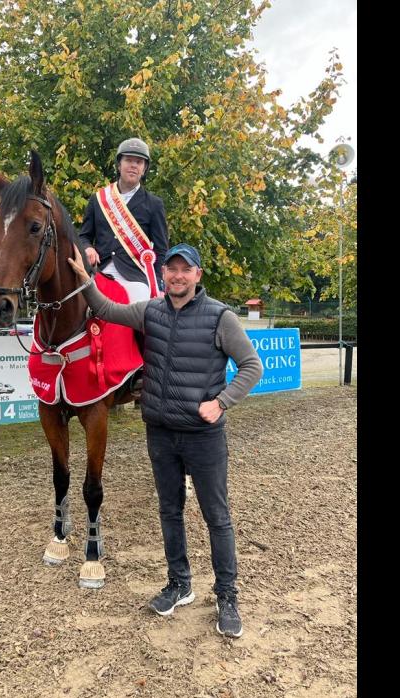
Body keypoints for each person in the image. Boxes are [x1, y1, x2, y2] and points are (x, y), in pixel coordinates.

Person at [67, 241, 263, 638]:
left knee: (217, 517)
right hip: (160, 432)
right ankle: (180, 584)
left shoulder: (219, 317)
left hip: (203, 436)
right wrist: (86, 280)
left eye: (184, 269)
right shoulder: (150, 312)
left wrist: (222, 402)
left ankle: (227, 595)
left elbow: (251, 366)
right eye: (171, 269)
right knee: (169, 512)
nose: (177, 275)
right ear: (164, 275)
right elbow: (106, 309)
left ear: (197, 275)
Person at [79, 137, 168, 302]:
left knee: (142, 314)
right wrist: (87, 248)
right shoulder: (98, 199)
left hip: (135, 276)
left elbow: (161, 250)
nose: (133, 165)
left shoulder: (154, 204)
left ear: (144, 169)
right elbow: (83, 236)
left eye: (139, 162)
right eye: (128, 160)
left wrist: (158, 284)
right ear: (119, 165)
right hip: (99, 271)